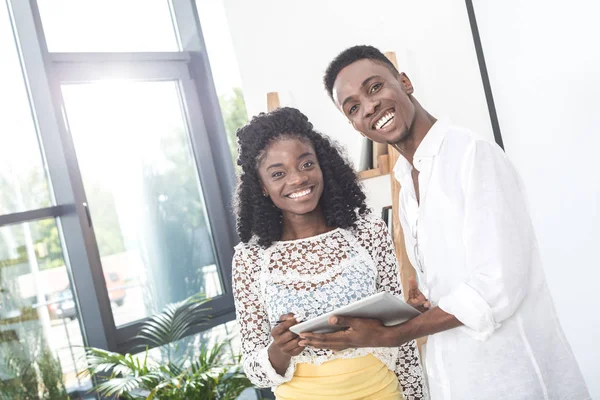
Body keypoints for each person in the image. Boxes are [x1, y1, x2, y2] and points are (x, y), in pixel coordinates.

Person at [297, 45, 591, 399]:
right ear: (356, 127)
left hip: (517, 380)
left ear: (405, 82)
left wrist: (395, 334)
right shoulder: (407, 182)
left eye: (375, 87)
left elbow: (497, 287)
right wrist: (420, 305)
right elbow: (455, 285)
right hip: (458, 380)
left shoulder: (472, 155)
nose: (370, 106)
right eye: (354, 107)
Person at [231, 107, 428, 399]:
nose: (297, 179)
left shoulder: (367, 232)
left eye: (306, 164)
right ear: (262, 186)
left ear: (322, 165)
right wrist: (279, 350)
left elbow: (402, 341)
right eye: (278, 173)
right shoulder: (250, 260)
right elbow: (255, 371)